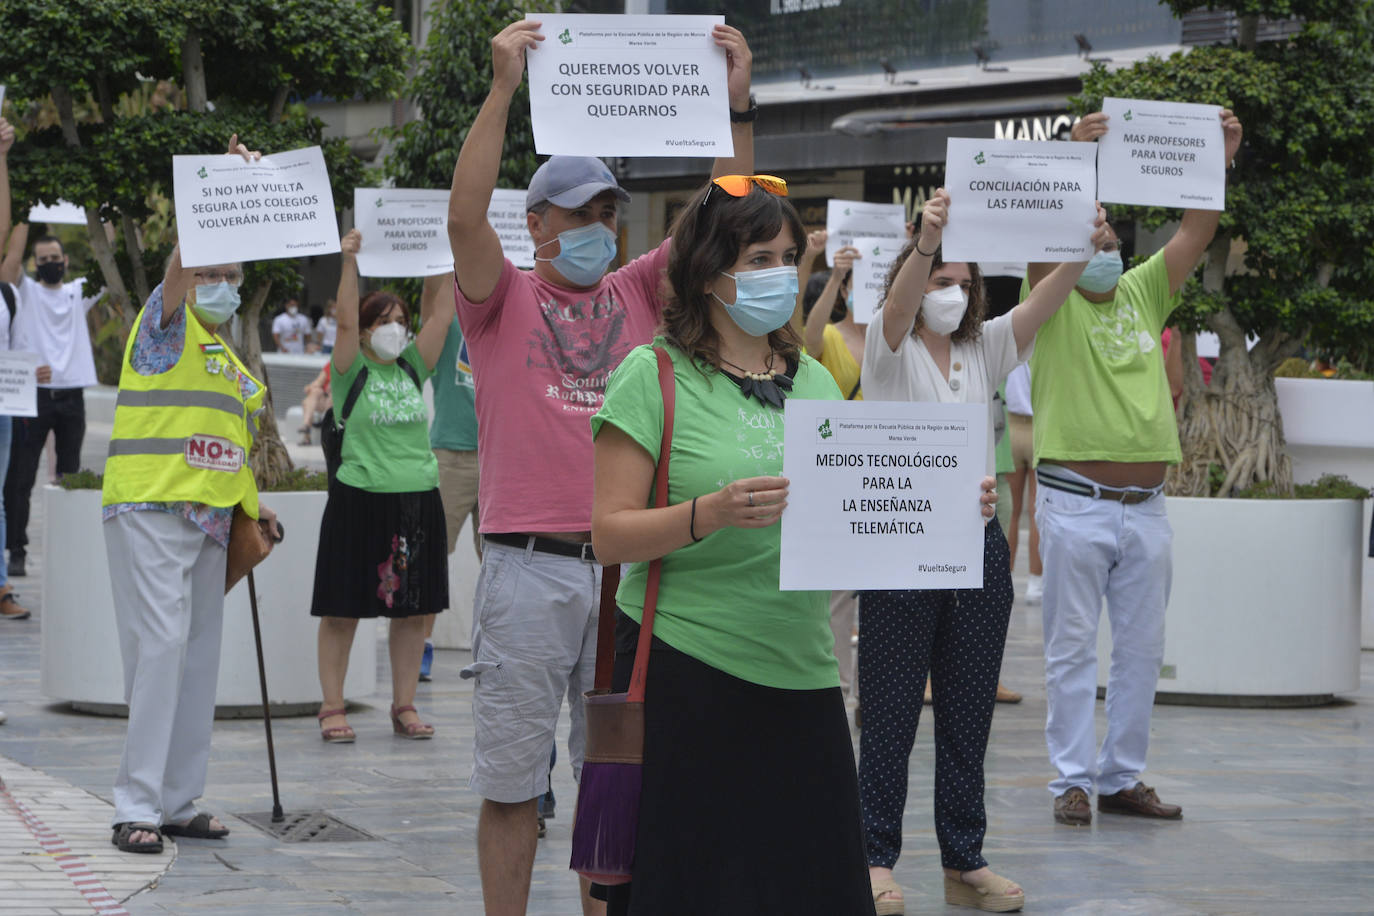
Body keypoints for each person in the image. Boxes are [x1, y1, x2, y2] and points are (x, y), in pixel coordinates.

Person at [446, 17, 757, 915]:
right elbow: (464, 217)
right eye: (579, 212)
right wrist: (504, 87)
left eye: (609, 211)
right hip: (527, 569)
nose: (598, 226)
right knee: (511, 784)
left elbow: (727, 210)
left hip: (626, 576)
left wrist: (734, 106)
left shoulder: (633, 292)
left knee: (615, 783)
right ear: (536, 222)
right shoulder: (498, 297)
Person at [858, 188, 1109, 914]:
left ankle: (964, 859)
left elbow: (1043, 303)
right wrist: (928, 243)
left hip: (977, 552)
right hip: (900, 555)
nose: (952, 293)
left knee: (969, 719)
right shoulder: (888, 345)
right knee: (892, 716)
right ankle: (874, 857)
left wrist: (1080, 248)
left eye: (963, 284)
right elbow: (903, 308)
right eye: (942, 280)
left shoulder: (984, 346)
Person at [1028, 109, 1242, 827]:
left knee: (1141, 653)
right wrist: (1072, 160)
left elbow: (1196, 230)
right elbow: (1047, 246)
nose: (1103, 239)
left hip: (1147, 506)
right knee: (1071, 652)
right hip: (1074, 502)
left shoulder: (1144, 288)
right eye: (1088, 230)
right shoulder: (1050, 301)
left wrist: (1216, 158)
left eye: (1108, 229)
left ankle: (1120, 777)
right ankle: (1071, 782)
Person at [100, 134, 279, 854]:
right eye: (214, 269)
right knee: (162, 647)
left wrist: (250, 505)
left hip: (207, 522)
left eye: (234, 273)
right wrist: (219, 193)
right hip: (149, 508)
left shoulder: (225, 354)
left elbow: (225, 447)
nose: (225, 282)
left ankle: (176, 800)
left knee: (198, 655)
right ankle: (134, 804)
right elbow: (181, 263)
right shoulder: (162, 327)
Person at [311, 229, 451, 744]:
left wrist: (444, 253)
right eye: (384, 323)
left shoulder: (414, 368)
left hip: (417, 500)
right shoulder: (350, 370)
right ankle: (332, 705)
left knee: (415, 611)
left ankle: (405, 704)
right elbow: (344, 318)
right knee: (343, 609)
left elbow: (440, 315)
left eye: (400, 323)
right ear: (366, 332)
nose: (395, 330)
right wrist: (349, 262)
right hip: (358, 500)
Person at [0, 221, 104, 578]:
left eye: (55, 257)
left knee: (70, 475)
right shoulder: (24, 292)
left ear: (66, 259)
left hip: (72, 397)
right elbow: (11, 265)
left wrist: (105, 216)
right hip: (32, 399)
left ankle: (70, 547)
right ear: (35, 263)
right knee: (20, 479)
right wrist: (22, 219)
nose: (50, 263)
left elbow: (108, 260)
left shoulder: (78, 291)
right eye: (42, 258)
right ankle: (16, 550)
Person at [0, 116, 53, 619]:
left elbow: (9, 237)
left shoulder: (6, 291)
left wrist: (2, 160)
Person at [423, 273, 479, 685]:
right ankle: (420, 643)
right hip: (451, 456)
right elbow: (431, 294)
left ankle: (496, 647)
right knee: (430, 556)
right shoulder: (448, 322)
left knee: (505, 562)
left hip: (504, 456)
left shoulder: (509, 320)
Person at [1004, 363, 1042, 603]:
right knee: (1036, 510)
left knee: (1012, 511)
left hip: (1012, 426)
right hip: (1040, 425)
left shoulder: (1013, 336)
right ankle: (1035, 583)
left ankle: (1004, 579)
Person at [296, 364, 332, 446]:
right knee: (315, 392)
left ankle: (307, 435)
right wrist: (310, 387)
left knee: (306, 403)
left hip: (336, 401)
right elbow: (318, 382)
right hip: (323, 400)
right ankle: (306, 426)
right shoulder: (330, 365)